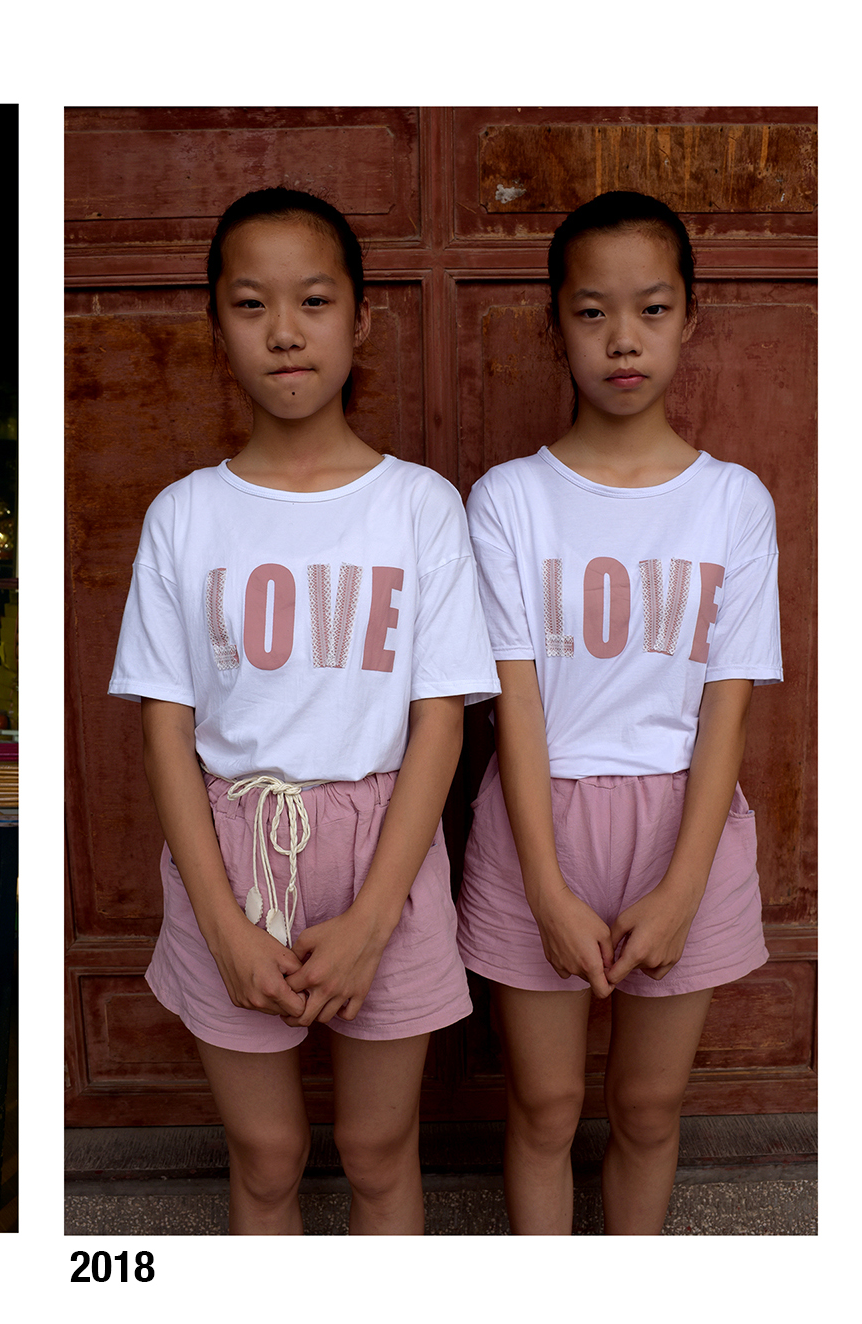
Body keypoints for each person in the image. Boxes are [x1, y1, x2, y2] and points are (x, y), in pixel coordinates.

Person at [106, 188, 498, 1234]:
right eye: (251, 304)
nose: (285, 331)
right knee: (269, 1153)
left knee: (378, 1148)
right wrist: (227, 926)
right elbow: (164, 730)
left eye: (315, 300)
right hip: (231, 851)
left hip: (388, 845)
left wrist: (376, 918)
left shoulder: (420, 505)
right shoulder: (186, 514)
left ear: (361, 318)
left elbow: (442, 719)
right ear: (216, 325)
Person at [457, 190, 779, 1235]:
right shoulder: (508, 498)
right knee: (546, 1104)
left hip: (683, 823)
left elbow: (725, 704)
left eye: (650, 309)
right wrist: (544, 886)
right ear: (555, 324)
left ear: (691, 318)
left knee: (647, 1106)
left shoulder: (734, 500)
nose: (623, 339)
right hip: (537, 821)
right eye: (592, 312)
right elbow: (512, 700)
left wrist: (686, 883)